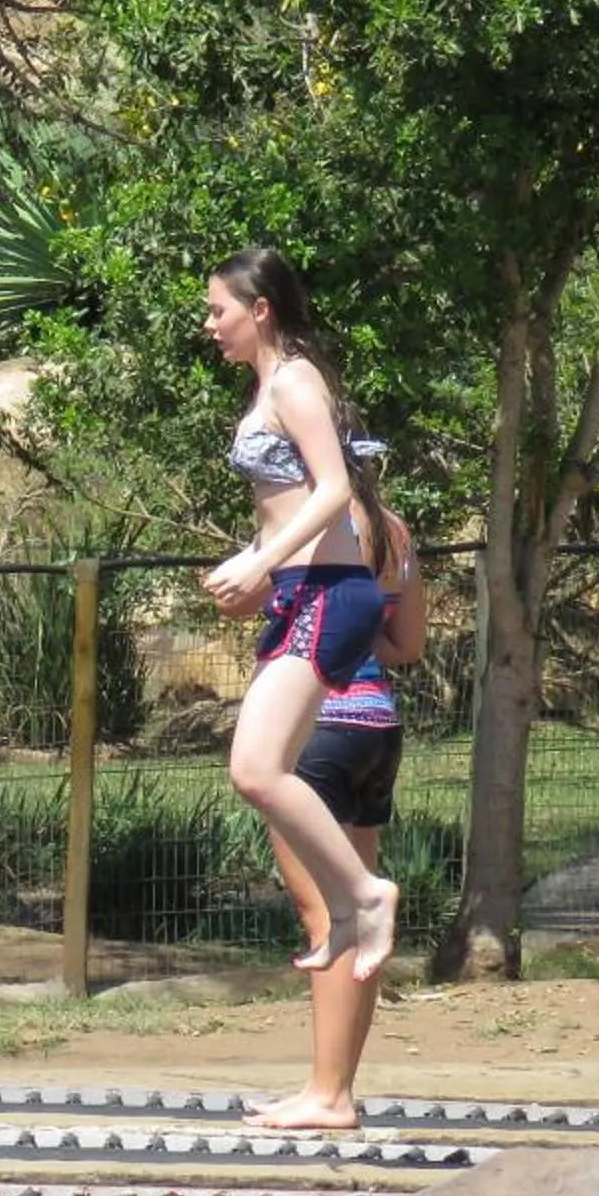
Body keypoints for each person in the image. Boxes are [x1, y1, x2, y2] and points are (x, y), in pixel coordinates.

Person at [202, 247, 403, 985]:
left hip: (330, 591)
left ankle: (366, 895)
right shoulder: (265, 392)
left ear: (260, 310)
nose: (209, 324)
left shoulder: (294, 382)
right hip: (298, 591)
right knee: (263, 768)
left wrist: (262, 560)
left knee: (257, 769)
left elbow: (331, 492)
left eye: (218, 310)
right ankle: (350, 909)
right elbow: (283, 505)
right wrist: (253, 566)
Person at [251, 475, 424, 1133]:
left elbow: (261, 607)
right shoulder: (395, 528)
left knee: (329, 918)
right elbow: (407, 645)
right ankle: (333, 1086)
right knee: (356, 916)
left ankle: (328, 1094)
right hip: (375, 725)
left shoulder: (307, 526)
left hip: (316, 728)